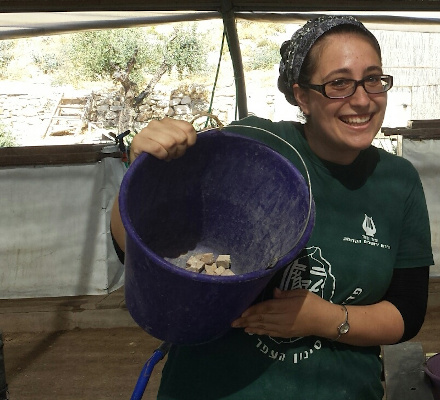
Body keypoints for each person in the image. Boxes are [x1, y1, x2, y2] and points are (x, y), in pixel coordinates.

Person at [110, 15, 434, 399]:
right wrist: (146, 164)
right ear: (302, 95)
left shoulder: (398, 181)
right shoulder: (253, 145)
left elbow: (407, 312)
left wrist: (324, 319)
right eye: (339, 83)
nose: (362, 99)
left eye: (373, 79)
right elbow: (134, 246)